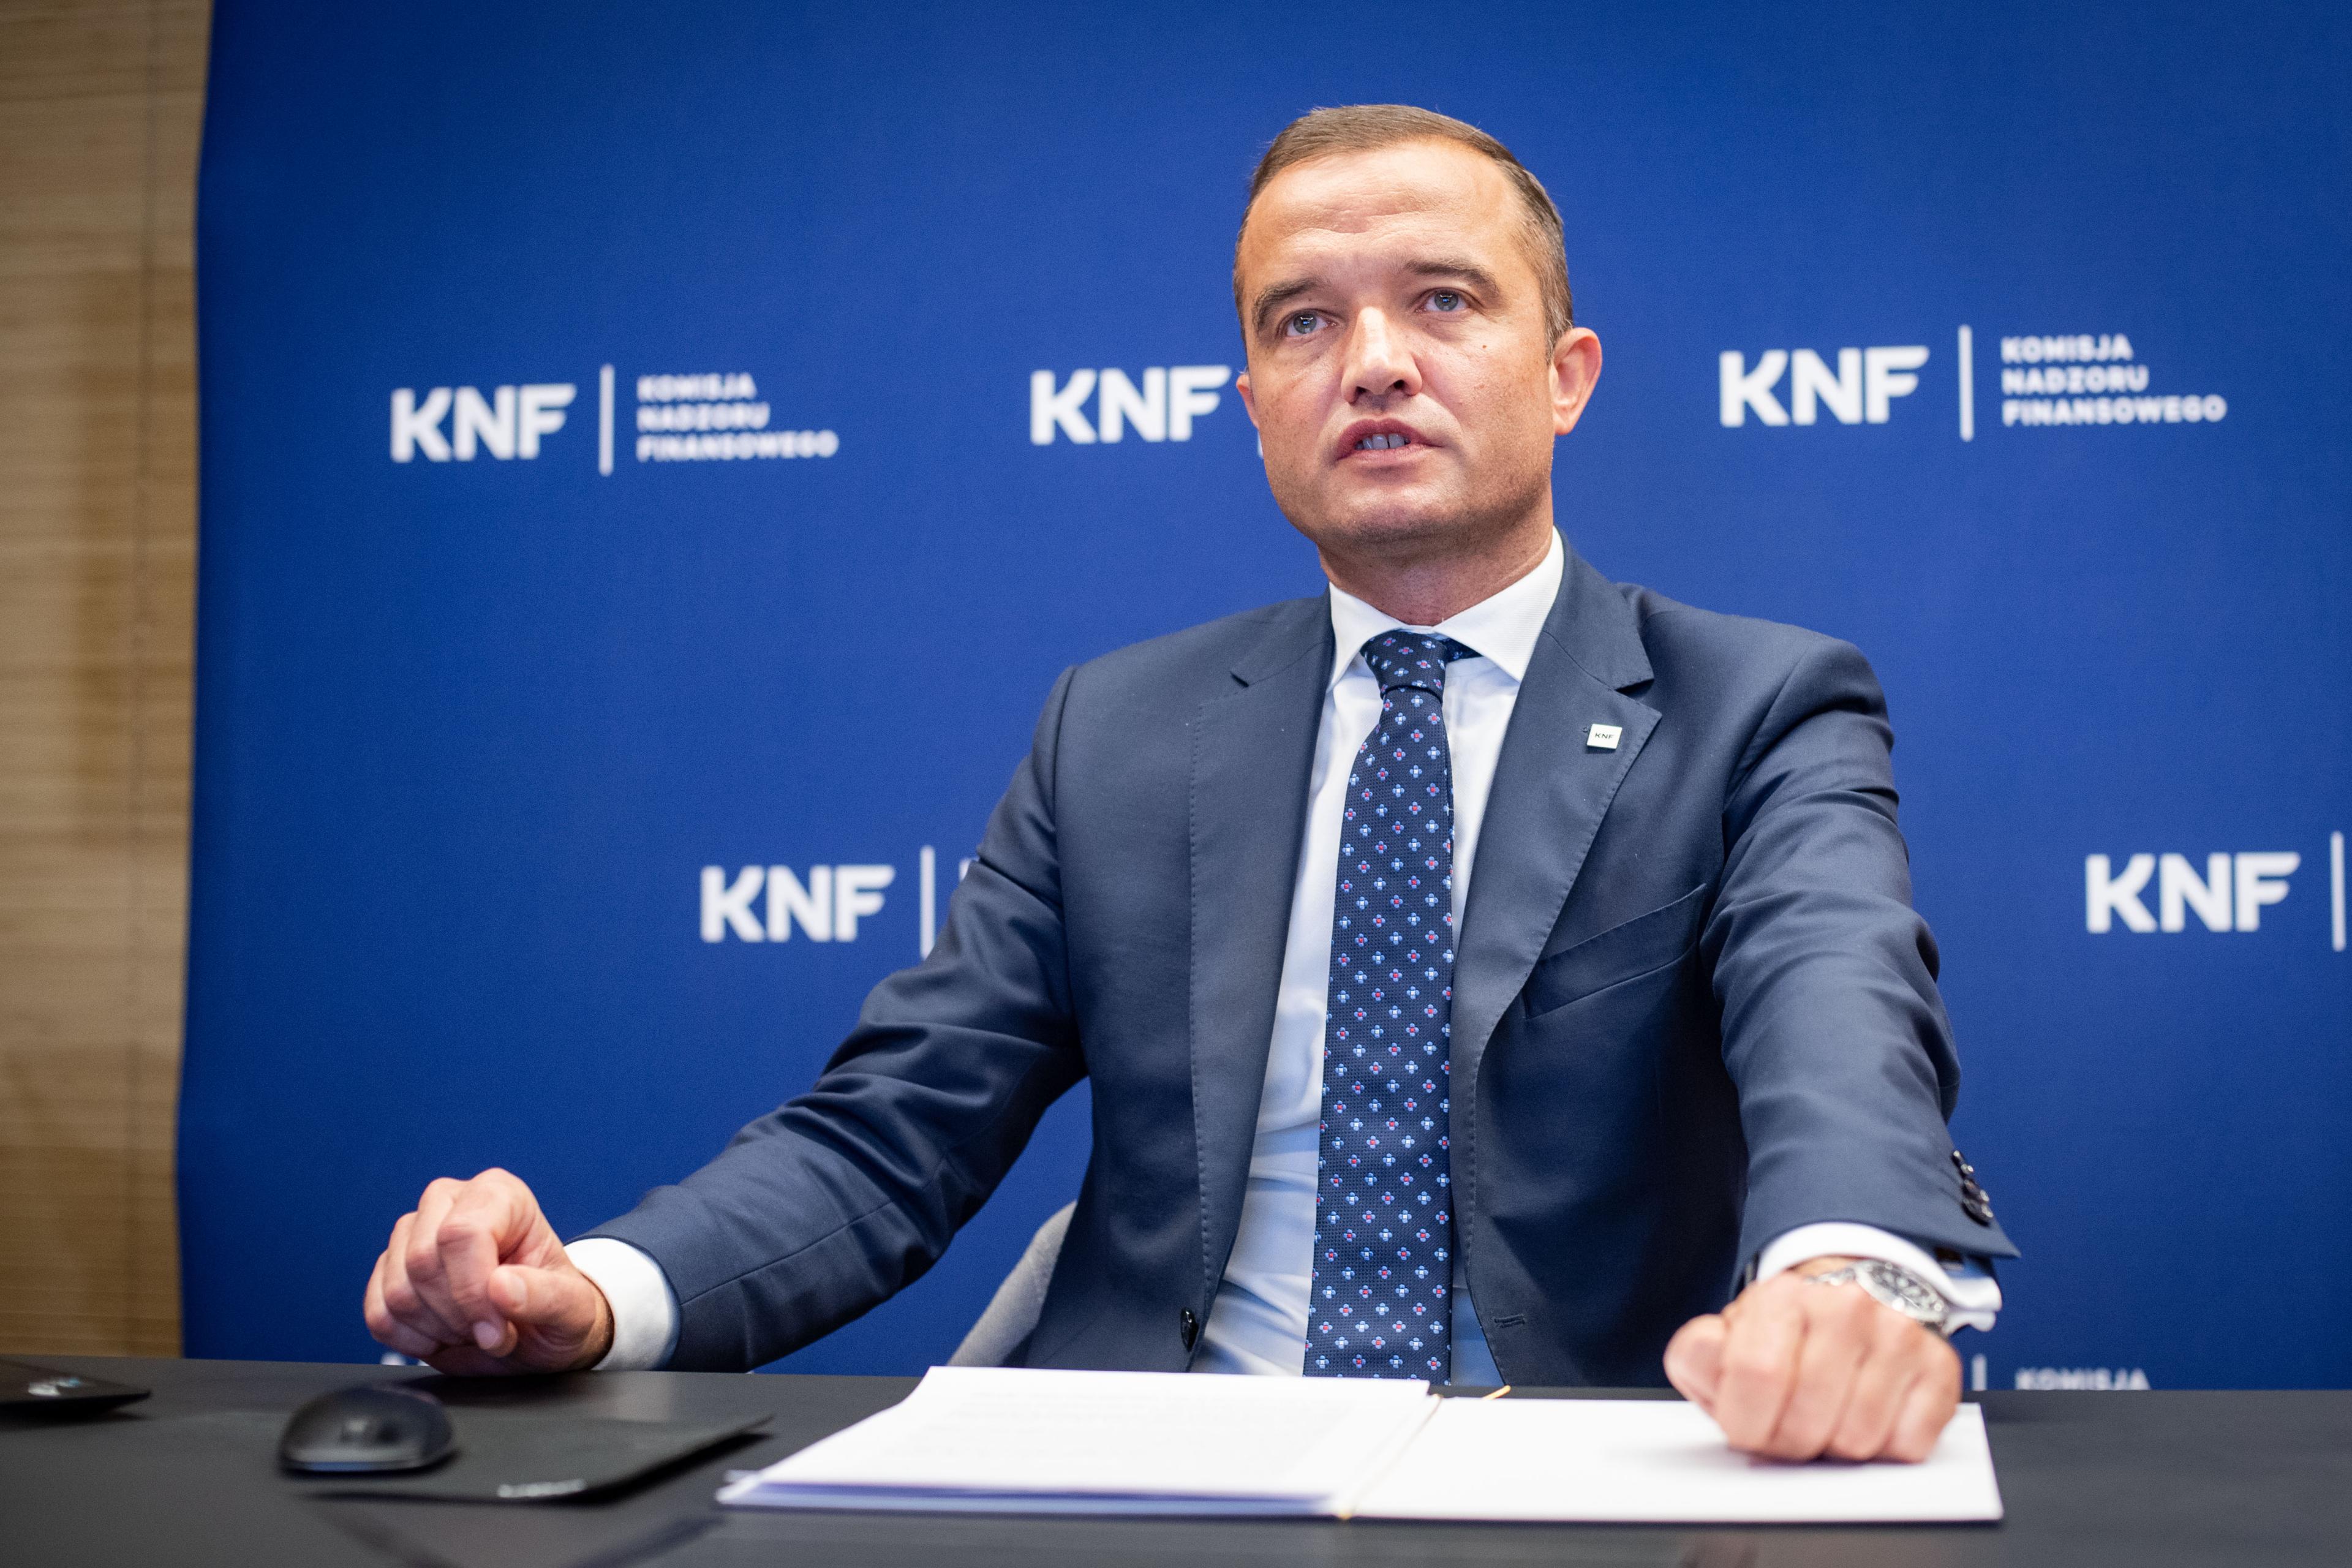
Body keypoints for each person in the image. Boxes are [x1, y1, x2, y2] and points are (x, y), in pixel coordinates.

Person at [365, 105, 2014, 1464]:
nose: (1373, 361)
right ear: (1254, 407)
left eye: (1444, 302)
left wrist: (1844, 1274)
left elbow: (1839, 1019)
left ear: (1567, 373)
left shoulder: (1755, 706)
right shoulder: (1118, 730)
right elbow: (892, 1134)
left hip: (1560, 1467)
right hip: (1147, 1473)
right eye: (1305, 321)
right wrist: (595, 1294)